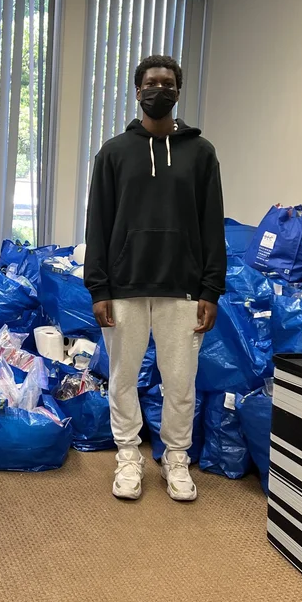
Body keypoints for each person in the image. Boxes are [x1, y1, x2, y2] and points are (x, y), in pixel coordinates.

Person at [84, 54, 225, 502]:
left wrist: (211, 289)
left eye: (167, 83)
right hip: (125, 286)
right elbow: (98, 224)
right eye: (150, 83)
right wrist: (98, 287)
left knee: (180, 382)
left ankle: (176, 458)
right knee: (123, 378)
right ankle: (128, 455)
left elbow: (212, 224)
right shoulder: (113, 152)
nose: (158, 90)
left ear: (178, 91)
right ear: (137, 90)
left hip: (182, 288)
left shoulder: (201, 154)